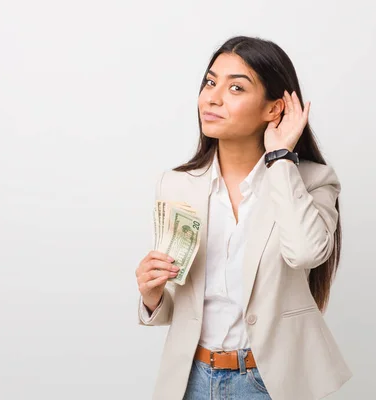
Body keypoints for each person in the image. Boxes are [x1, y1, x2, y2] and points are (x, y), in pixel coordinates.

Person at [135, 35, 352, 400]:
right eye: (210, 82)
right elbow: (180, 302)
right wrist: (152, 295)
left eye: (236, 87)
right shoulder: (175, 186)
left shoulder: (312, 181)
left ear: (274, 108)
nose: (213, 97)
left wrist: (281, 157)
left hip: (270, 383)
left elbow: (305, 253)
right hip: (192, 381)